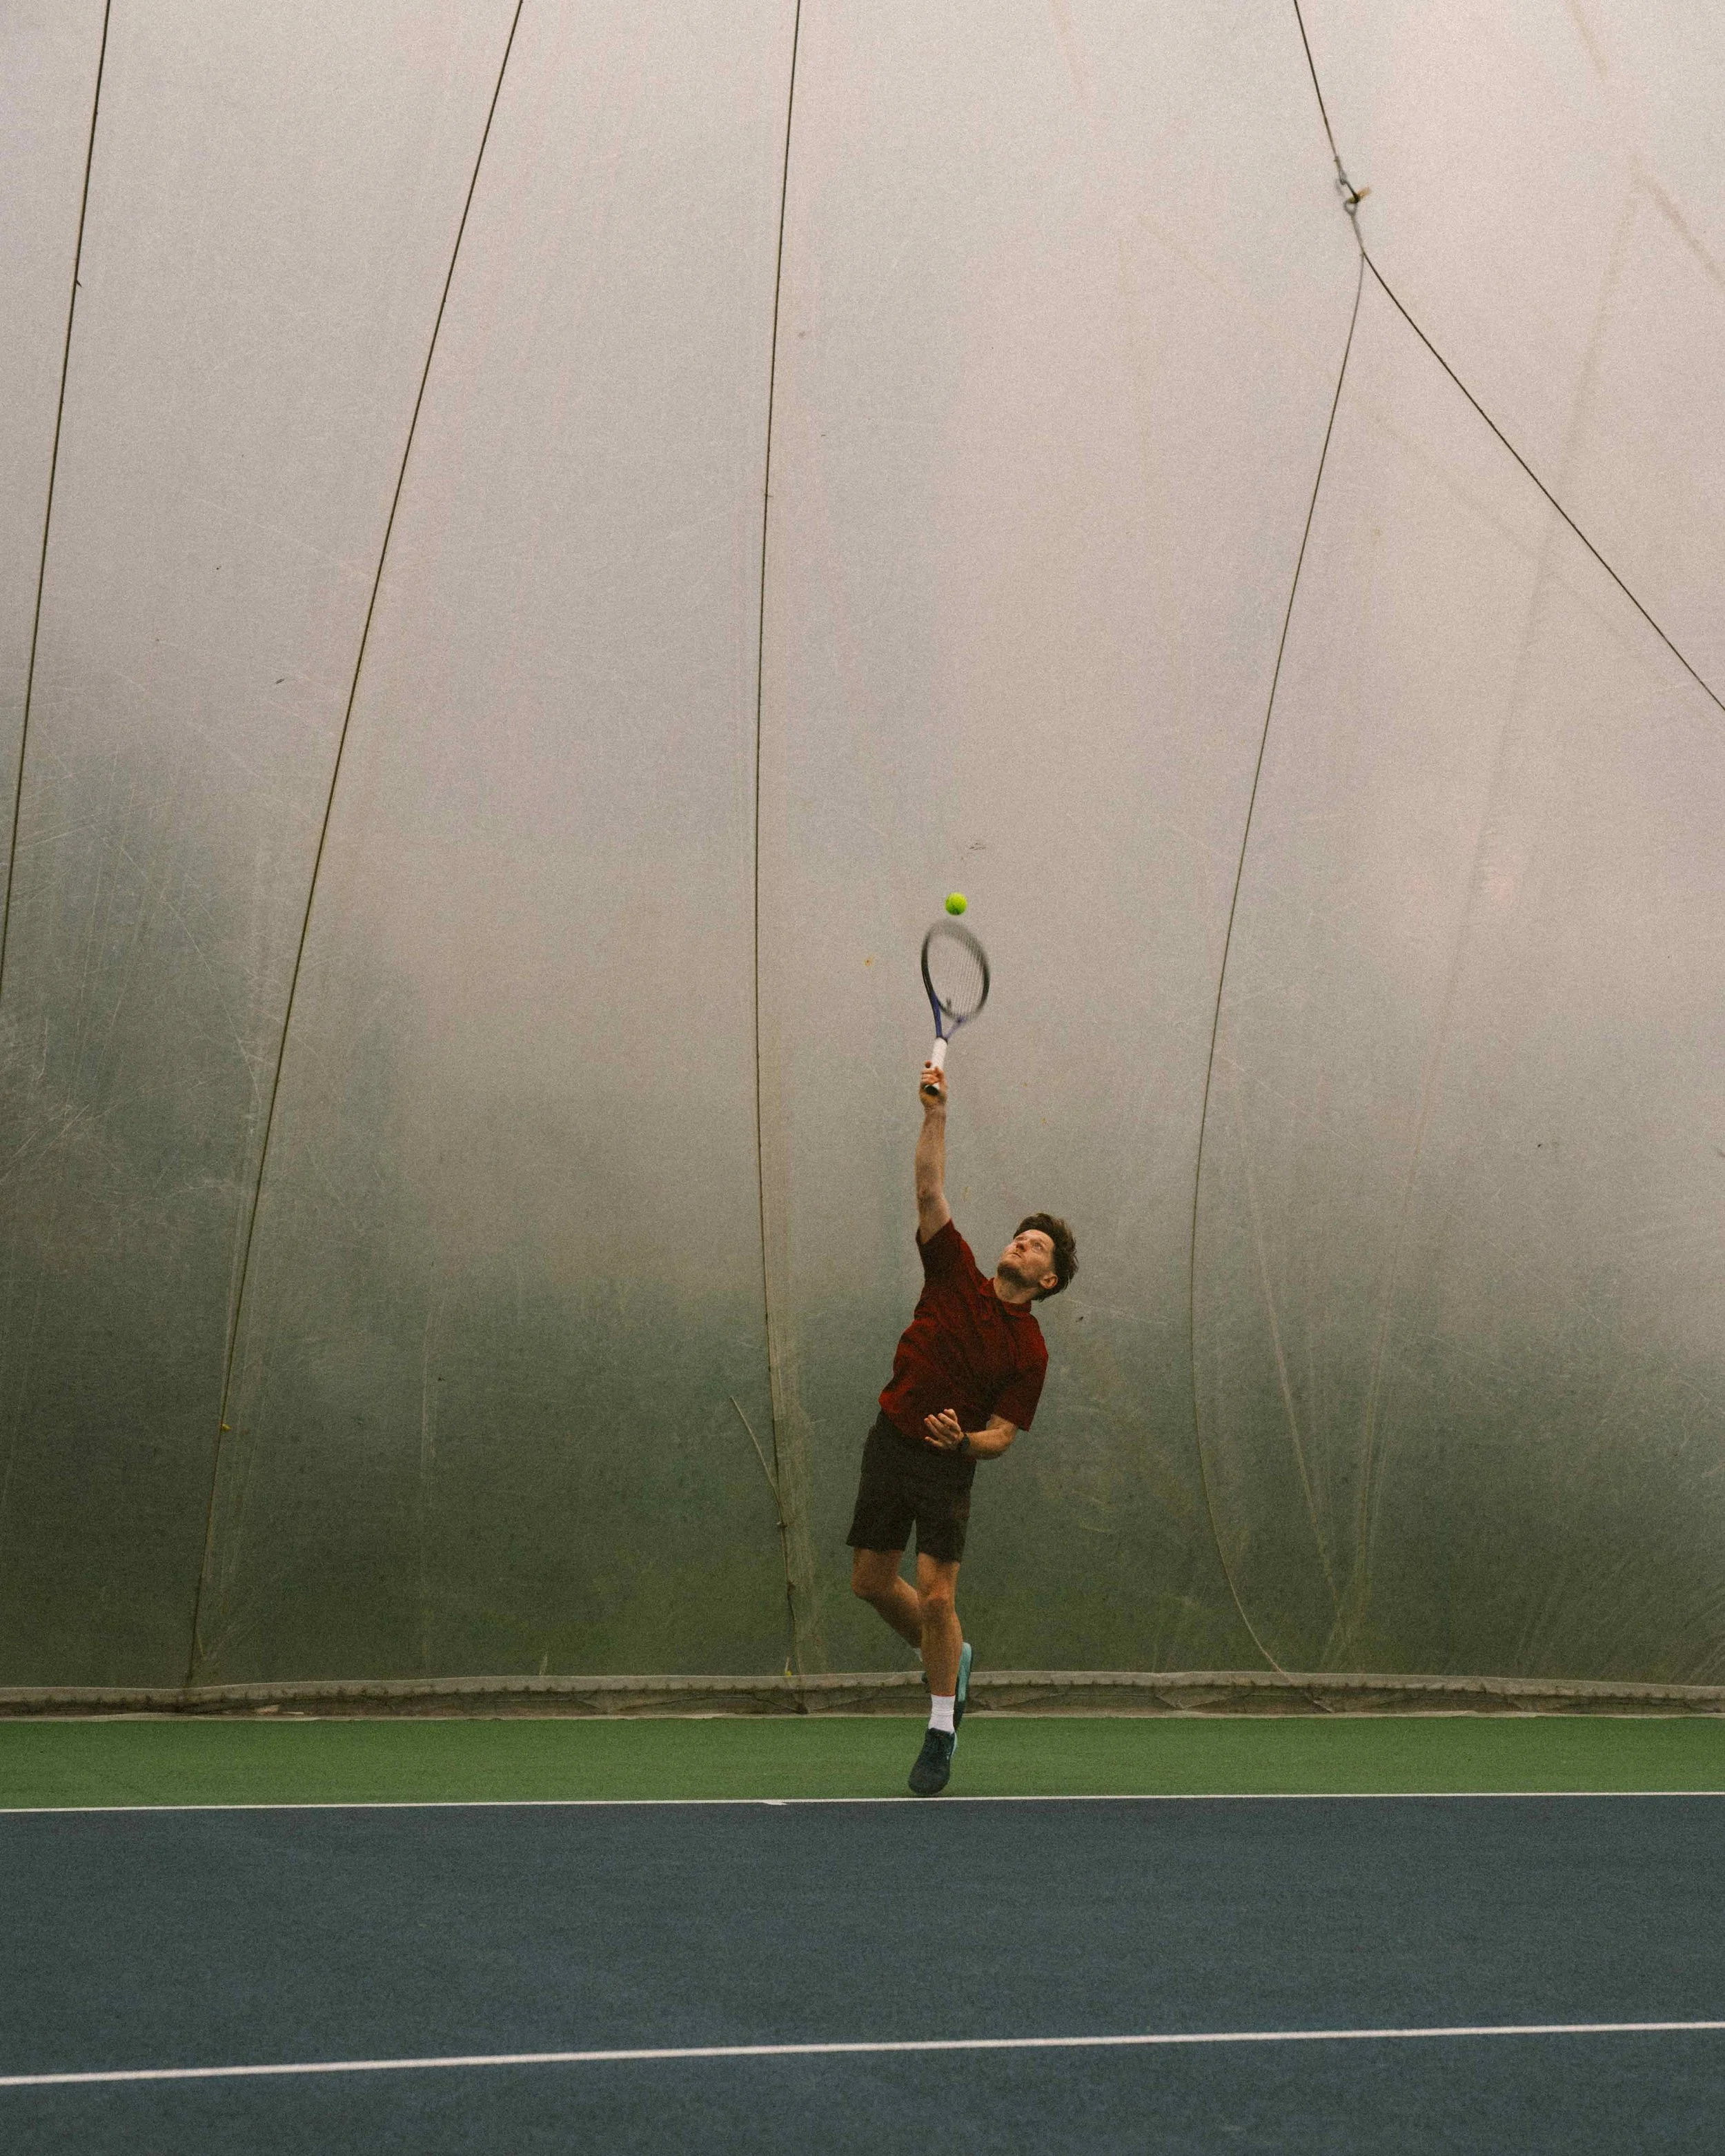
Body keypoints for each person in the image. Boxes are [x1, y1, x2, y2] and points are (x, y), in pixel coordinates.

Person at [847, 1057, 1077, 1795]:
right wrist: (936, 1113)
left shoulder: (1029, 1350)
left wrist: (962, 1442)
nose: (1020, 1243)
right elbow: (927, 1188)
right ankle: (954, 1655)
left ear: (1047, 1281)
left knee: (938, 1596)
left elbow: (1004, 1435)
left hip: (947, 1462)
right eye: (1019, 1235)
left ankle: (941, 1725)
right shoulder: (952, 1272)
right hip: (891, 1438)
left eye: (1036, 1246)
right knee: (869, 1582)